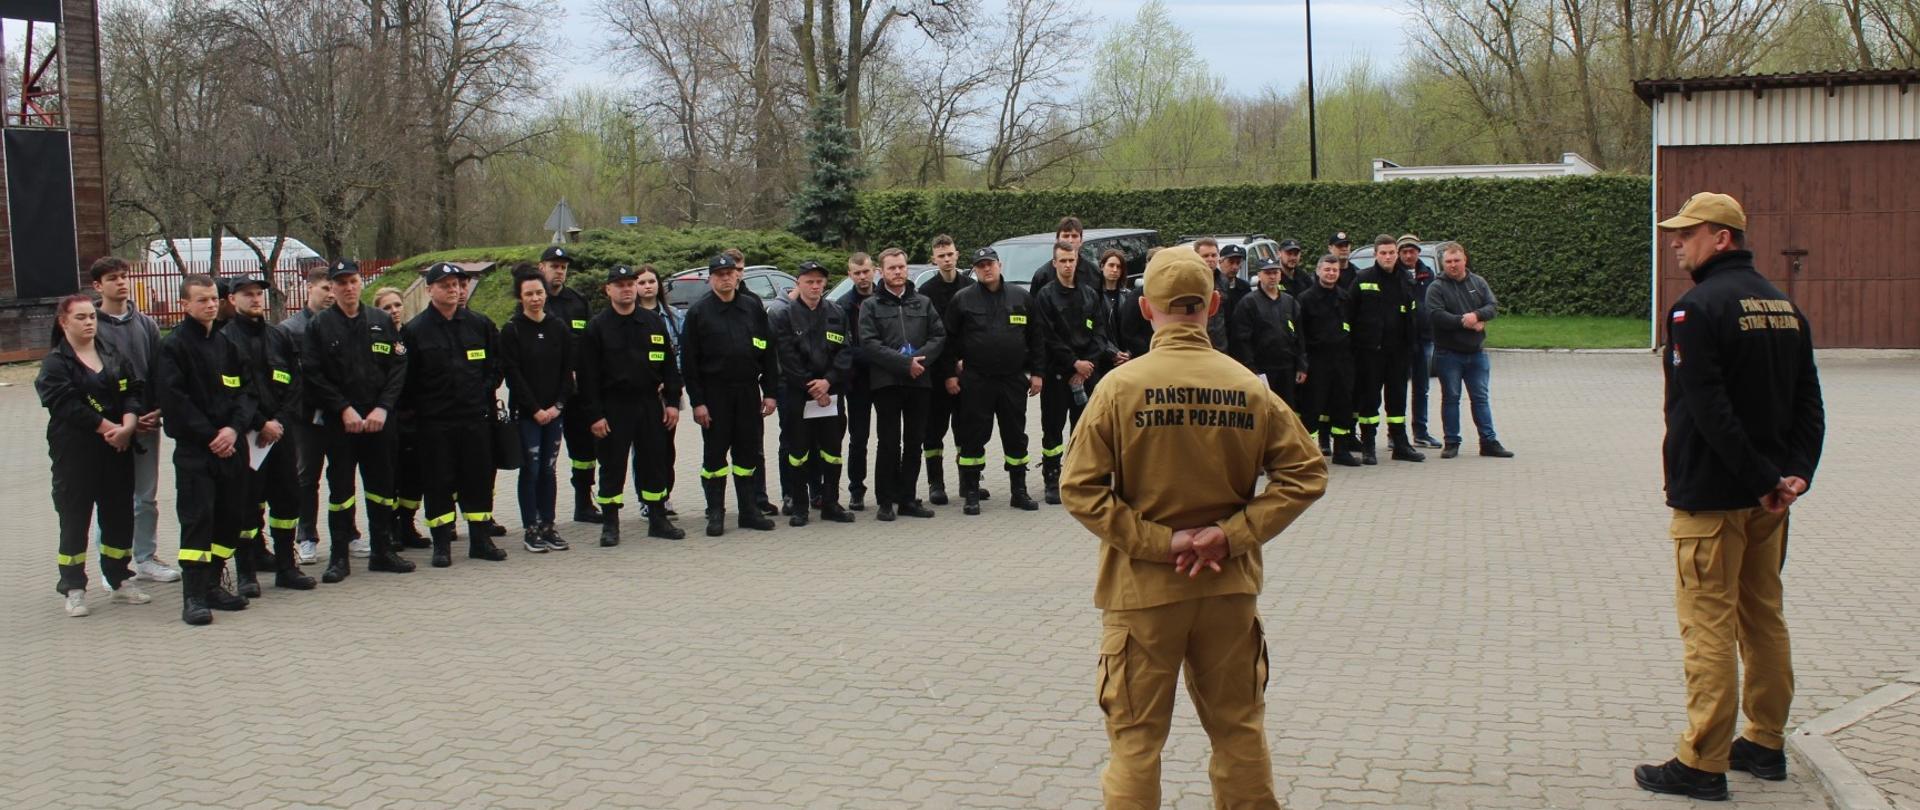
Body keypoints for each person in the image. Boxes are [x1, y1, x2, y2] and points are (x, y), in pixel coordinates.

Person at [1060, 244, 1327, 809]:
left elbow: (1079, 488)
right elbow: (1306, 473)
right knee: (1238, 730)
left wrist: (1163, 542)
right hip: (1227, 588)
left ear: (1145, 308)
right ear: (1213, 305)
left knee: (1136, 742)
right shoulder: (1248, 386)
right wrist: (1230, 536)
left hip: (1144, 593)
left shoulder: (1119, 388)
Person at [1634, 192, 1826, 801]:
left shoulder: (1695, 310)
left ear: (1722, 238)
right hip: (1769, 501)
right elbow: (1809, 402)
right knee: (1763, 616)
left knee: (1708, 625)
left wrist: (1763, 479)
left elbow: (1709, 410)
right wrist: (1794, 474)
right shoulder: (1784, 307)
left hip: (1716, 497)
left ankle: (1702, 761)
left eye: (1687, 233)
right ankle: (1765, 742)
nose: (1675, 242)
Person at [302, 260, 415, 582]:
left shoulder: (380, 320)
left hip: (379, 420)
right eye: (341, 283)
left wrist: (383, 408)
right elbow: (313, 373)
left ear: (361, 282)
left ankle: (382, 551)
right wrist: (343, 409)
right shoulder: (320, 326)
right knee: (341, 490)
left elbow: (398, 367)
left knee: (382, 488)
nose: (348, 288)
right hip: (341, 423)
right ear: (333, 288)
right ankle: (339, 557)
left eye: (353, 281)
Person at [39, 294, 152, 616]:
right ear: (64, 322)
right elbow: (66, 404)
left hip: (117, 450)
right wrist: (109, 428)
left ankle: (119, 579)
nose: (89, 322)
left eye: (91, 316)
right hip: (76, 453)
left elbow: (133, 390)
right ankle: (73, 586)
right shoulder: (56, 363)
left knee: (119, 516)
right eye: (81, 317)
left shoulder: (112, 354)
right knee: (75, 518)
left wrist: (128, 425)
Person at [156, 275, 256, 625]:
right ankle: (194, 596)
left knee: (230, 518)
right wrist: (211, 435)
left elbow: (246, 392)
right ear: (185, 304)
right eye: (202, 300)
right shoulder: (174, 346)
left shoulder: (227, 344)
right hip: (197, 450)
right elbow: (175, 400)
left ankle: (214, 583)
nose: (211, 305)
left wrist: (233, 429)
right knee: (198, 521)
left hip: (231, 446)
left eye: (214, 298)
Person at [403, 263, 508, 567]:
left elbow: (495, 366)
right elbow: (407, 380)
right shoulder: (415, 330)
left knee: (477, 479)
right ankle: (441, 544)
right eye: (445, 285)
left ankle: (480, 540)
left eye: (457, 285)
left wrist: (481, 392)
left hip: (474, 419)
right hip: (435, 423)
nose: (453, 290)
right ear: (429, 290)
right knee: (438, 481)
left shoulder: (479, 325)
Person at [576, 264, 687, 545]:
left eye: (630, 284)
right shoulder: (597, 327)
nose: (626, 289)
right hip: (614, 407)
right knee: (612, 466)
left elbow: (669, 367)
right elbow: (587, 378)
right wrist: (595, 415)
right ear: (608, 289)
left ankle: (658, 519)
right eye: (620, 285)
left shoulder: (652, 322)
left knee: (654, 462)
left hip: (649, 404)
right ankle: (610, 524)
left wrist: (672, 402)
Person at [221, 274, 317, 595]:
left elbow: (294, 382)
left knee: (287, 499)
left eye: (258, 293)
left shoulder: (278, 336)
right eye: (246, 294)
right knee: (247, 505)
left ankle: (287, 566)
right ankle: (246, 573)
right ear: (232, 299)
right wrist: (260, 423)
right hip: (247, 436)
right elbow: (233, 391)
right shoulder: (225, 340)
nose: (254, 299)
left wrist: (278, 421)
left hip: (280, 434)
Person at [89, 258, 177, 583]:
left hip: (147, 424)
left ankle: (145, 557)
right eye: (113, 278)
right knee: (112, 497)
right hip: (110, 428)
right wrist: (120, 421)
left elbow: (159, 372)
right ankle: (110, 564)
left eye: (124, 276)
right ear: (98, 285)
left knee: (146, 497)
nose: (121, 283)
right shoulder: (91, 325)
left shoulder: (147, 325)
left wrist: (156, 410)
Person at [940, 247, 1045, 515]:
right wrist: (950, 374)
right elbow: (948, 341)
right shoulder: (962, 299)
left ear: (1000, 265)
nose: (986, 269)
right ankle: (972, 492)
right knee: (973, 435)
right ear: (975, 270)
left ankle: (1019, 491)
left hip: (1013, 379)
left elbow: (1036, 337)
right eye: (981, 265)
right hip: (977, 380)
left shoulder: (1021, 297)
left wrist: (1037, 373)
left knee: (1016, 435)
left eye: (990, 264)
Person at [681, 254, 779, 537]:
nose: (725, 278)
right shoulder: (699, 313)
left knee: (747, 452)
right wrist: (698, 402)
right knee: (715, 456)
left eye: (729, 273)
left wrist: (770, 392)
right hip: (715, 395)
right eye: (719, 274)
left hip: (747, 391)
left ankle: (749, 511)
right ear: (711, 279)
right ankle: (716, 512)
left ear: (737, 275)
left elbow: (768, 352)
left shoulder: (752, 307)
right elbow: (689, 363)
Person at [859, 247, 946, 521]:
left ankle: (908, 498)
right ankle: (886, 501)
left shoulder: (923, 303)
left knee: (914, 442)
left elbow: (938, 336)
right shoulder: (871, 306)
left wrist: (919, 361)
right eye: (892, 268)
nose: (897, 272)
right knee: (888, 443)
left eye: (901, 267)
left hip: (919, 381)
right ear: (881, 272)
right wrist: (903, 363)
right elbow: (869, 343)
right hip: (887, 383)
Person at [770, 260, 857, 527]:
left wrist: (828, 382)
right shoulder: (784, 315)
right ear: (798, 283)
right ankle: (800, 507)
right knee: (798, 452)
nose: (815, 286)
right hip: (799, 395)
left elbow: (845, 351)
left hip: (831, 395)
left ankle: (830, 503)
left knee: (832, 451)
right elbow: (787, 357)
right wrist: (812, 386)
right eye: (809, 281)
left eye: (819, 281)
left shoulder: (836, 312)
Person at [1034, 239, 1117, 505]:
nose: (1068, 265)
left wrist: (1086, 365)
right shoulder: (1046, 296)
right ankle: (1051, 477)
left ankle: (1079, 476)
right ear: (1055, 263)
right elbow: (1047, 336)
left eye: (1072, 260)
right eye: (1063, 261)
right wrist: (1073, 364)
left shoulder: (1089, 294)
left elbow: (1099, 333)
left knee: (1084, 428)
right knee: (1053, 427)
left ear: (1077, 261)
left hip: (1086, 374)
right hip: (1058, 374)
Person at [500, 270, 574, 552]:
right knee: (530, 469)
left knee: (548, 469)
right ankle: (531, 528)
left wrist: (557, 407)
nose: (535, 298)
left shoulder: (558, 327)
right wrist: (535, 409)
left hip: (554, 414)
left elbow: (568, 371)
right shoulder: (512, 330)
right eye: (529, 294)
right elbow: (513, 375)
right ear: (520, 297)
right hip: (527, 415)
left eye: (539, 292)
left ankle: (548, 525)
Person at [1423, 243, 1514, 459]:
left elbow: (1492, 306)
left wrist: (1477, 315)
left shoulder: (1478, 282)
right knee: (1451, 398)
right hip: (1448, 354)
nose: (1453, 265)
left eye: (1457, 261)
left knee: (1480, 398)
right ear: (1443, 264)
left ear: (1465, 260)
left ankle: (1488, 441)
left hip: (1476, 354)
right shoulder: (1436, 287)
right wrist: (1464, 321)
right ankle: (1451, 442)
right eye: (1448, 262)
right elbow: (1435, 315)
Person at [534, 245, 603, 525]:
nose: (559, 272)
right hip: (545, 393)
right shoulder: (534, 300)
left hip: (577, 391)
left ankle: (583, 503)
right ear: (541, 268)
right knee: (542, 455)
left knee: (585, 451)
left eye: (563, 267)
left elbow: (589, 344)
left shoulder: (577, 301)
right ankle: (539, 511)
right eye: (554, 266)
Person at [280, 268, 341, 565]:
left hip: (339, 414)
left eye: (334, 289)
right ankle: (306, 536)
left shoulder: (342, 324)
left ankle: (348, 532)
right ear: (309, 288)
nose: (330, 295)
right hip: (305, 418)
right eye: (325, 288)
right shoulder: (290, 329)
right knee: (306, 477)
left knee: (342, 475)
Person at [1350, 234, 1425, 464]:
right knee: (1369, 401)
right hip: (1370, 353)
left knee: (1398, 400)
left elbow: (1412, 315)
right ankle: (1368, 446)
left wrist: (1411, 346)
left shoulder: (1406, 279)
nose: (1388, 257)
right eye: (1383, 253)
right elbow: (1349, 314)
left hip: (1398, 352)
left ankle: (1400, 444)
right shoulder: (1363, 278)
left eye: (1392, 253)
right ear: (1376, 254)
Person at [374, 287, 433, 555]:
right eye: (387, 307)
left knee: (413, 475)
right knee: (391, 476)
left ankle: (407, 525)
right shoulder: (375, 337)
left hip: (414, 417)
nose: (394, 311)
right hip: (388, 416)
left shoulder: (412, 335)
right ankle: (389, 527)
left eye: (397, 305)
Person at [916, 235, 974, 507]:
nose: (947, 259)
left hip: (967, 370)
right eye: (941, 256)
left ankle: (968, 481)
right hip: (937, 373)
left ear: (957, 254)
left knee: (966, 430)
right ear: (934, 259)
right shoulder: (926, 292)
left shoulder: (971, 287)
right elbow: (929, 335)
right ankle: (936, 484)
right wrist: (947, 369)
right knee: (934, 430)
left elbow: (976, 330)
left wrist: (966, 360)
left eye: (950, 254)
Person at [1298, 254, 1360, 466]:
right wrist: (1303, 362)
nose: (1331, 273)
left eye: (1335, 270)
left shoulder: (1344, 298)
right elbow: (1300, 335)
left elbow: (1352, 326)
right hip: (1317, 361)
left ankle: (1342, 450)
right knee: (1312, 408)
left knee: (1343, 405)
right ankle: (1309, 454)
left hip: (1342, 361)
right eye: (1327, 269)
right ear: (1318, 271)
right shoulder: (1305, 299)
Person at [635, 265, 686, 519]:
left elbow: (682, 352)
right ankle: (646, 499)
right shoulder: (629, 317)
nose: (647, 286)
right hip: (641, 394)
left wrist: (672, 381)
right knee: (643, 449)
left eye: (651, 281)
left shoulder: (674, 317)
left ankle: (665, 495)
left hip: (669, 393)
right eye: (642, 282)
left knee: (666, 447)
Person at [1229, 258, 1308, 411]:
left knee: (1286, 411)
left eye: (1275, 272)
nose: (1272, 276)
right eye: (1268, 273)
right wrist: (1252, 370)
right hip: (1262, 369)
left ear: (1280, 275)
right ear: (1259, 275)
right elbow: (1241, 341)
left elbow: (1299, 336)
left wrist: (1302, 366)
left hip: (1287, 368)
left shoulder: (1290, 302)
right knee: (1263, 411)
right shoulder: (1248, 303)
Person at [834, 253, 880, 511]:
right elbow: (843, 346)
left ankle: (890, 487)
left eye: (866, 271)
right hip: (857, 381)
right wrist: (876, 354)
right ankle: (856, 489)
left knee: (889, 437)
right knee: (858, 437)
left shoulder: (885, 299)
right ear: (850, 275)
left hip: (885, 378)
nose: (862, 277)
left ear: (874, 271)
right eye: (857, 273)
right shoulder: (843, 306)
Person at [1400, 235, 1444, 449]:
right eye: (1404, 252)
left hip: (1424, 338)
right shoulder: (1394, 273)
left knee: (1421, 387)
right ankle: (1395, 434)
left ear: (1418, 252)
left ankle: (1420, 432)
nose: (1409, 255)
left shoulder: (1428, 273)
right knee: (1397, 388)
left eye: (1412, 251)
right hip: (1400, 340)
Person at [1096, 249, 1150, 361]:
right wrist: (1112, 352)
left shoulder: (1129, 296)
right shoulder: (1093, 296)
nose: (1115, 270)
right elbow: (1093, 329)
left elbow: (1137, 328)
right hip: (1104, 357)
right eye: (1111, 265)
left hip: (1130, 356)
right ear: (1102, 266)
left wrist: (1130, 352)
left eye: (1119, 267)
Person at [1029, 216, 1098, 294]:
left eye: (1074, 236)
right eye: (1066, 236)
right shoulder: (1043, 275)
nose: (1070, 240)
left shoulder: (1094, 273)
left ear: (1081, 241)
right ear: (1057, 240)